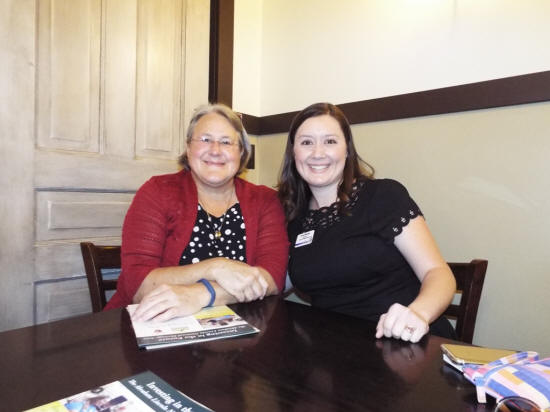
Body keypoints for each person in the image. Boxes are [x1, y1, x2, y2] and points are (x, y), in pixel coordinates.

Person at [277, 102, 456, 342]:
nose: (317, 153)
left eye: (330, 141)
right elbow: (277, 281)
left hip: (406, 343)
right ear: (294, 153)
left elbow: (438, 273)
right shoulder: (293, 218)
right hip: (336, 350)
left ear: (347, 150)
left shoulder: (384, 196)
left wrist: (418, 314)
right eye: (306, 142)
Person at [105, 103, 289, 322]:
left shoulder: (265, 200)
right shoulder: (157, 192)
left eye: (226, 142)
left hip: (238, 329)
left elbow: (272, 279)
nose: (215, 150)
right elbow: (138, 286)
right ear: (188, 148)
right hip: (153, 324)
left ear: (241, 152)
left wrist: (202, 294)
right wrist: (214, 268)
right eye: (205, 139)